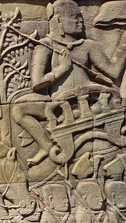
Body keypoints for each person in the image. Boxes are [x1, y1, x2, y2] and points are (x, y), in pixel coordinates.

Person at [12, 0, 126, 166]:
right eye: (75, 18)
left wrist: (124, 42)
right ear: (58, 21)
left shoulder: (87, 46)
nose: (81, 21)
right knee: (19, 109)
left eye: (80, 17)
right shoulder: (46, 45)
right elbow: (36, 84)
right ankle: (46, 146)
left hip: (84, 100)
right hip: (57, 103)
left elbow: (114, 72)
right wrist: (61, 69)